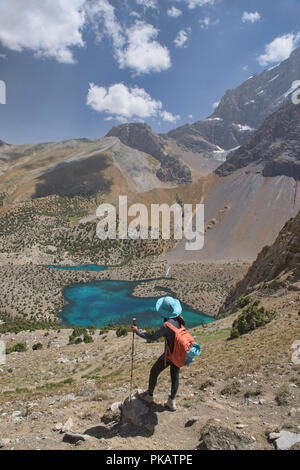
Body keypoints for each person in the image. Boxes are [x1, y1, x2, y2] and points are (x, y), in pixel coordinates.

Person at [131, 296, 184, 411]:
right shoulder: (180, 319)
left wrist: (137, 331)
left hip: (169, 355)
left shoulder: (166, 325)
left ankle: (149, 396)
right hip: (179, 354)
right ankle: (171, 401)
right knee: (175, 377)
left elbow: (153, 337)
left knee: (154, 371)